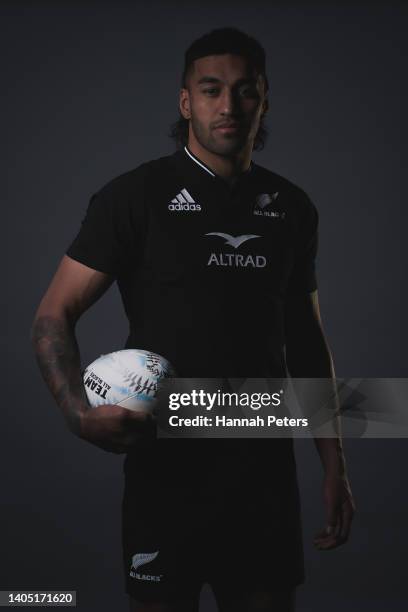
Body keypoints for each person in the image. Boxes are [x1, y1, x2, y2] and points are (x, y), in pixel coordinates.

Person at [31, 27, 355, 612]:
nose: (229, 106)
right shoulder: (135, 197)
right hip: (167, 474)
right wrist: (77, 413)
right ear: (187, 102)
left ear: (264, 100)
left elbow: (307, 343)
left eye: (244, 90)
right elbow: (54, 313)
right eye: (211, 90)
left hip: (262, 474)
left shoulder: (292, 207)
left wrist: (334, 463)